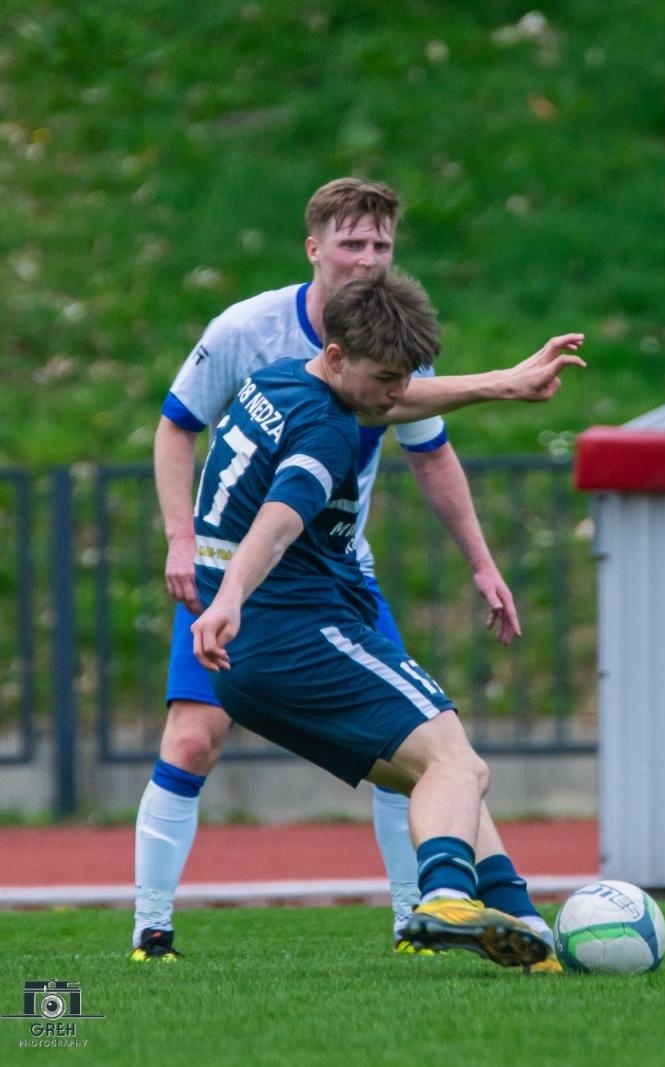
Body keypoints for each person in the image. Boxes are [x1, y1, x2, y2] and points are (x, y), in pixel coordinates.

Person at [134, 178, 583, 962]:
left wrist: (502, 386)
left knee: (432, 761)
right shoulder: (319, 413)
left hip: (279, 606)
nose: (399, 395)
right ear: (314, 249)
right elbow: (281, 513)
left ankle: (522, 923)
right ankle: (440, 898)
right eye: (354, 243)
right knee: (452, 758)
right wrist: (225, 590)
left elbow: (399, 409)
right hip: (285, 611)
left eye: (382, 244)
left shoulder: (288, 376)